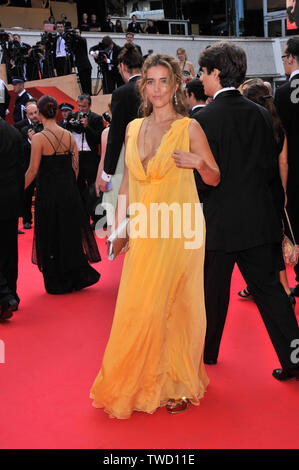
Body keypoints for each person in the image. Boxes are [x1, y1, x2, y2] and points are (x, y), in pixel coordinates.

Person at [90, 53, 220, 419]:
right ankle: (142, 378)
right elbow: (129, 183)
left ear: (177, 84)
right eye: (151, 81)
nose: (158, 88)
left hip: (181, 227)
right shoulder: (132, 128)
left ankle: (179, 381)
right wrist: (119, 227)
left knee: (178, 305)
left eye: (165, 81)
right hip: (146, 228)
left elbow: (214, 177)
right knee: (140, 305)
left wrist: (199, 164)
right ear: (143, 86)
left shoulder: (188, 127)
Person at [195, 41, 299, 381]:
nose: (201, 78)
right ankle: (295, 360)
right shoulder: (259, 112)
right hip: (257, 222)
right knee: (273, 295)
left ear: (215, 73)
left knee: (212, 293)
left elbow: (203, 178)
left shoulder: (202, 119)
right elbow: (269, 170)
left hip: (220, 224)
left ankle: (207, 356)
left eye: (203, 72)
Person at [24, 95, 101, 294]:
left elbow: (32, 171)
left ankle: (58, 279)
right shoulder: (68, 135)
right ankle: (74, 275)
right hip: (69, 193)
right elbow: (75, 168)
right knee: (69, 234)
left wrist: (17, 189)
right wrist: (68, 185)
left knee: (51, 234)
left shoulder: (39, 138)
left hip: (49, 195)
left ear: (40, 114)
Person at [96, 43, 143, 195]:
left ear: (122, 66)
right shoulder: (156, 88)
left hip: (134, 163)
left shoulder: (121, 93)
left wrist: (106, 174)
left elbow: (115, 136)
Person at [274, 37, 299, 299]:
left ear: (291, 57)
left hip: (293, 171)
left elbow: (280, 141)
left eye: (283, 57)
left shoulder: (281, 94)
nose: (283, 61)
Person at [0, 115, 25, 321]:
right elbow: (21, 169)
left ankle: (5, 297)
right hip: (10, 199)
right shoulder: (14, 133)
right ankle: (12, 294)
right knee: (9, 249)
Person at [68, 94, 105, 229]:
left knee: (93, 188)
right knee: (78, 187)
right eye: (79, 106)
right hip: (77, 156)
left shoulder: (96, 118)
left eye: (83, 106)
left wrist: (87, 127)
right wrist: (69, 125)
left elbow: (99, 139)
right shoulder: (72, 116)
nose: (81, 109)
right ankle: (82, 218)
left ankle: (97, 219)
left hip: (91, 157)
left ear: (89, 105)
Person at [19, 101, 42, 230]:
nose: (34, 116)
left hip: (42, 167)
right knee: (27, 195)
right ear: (27, 115)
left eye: (35, 113)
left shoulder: (44, 127)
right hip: (28, 167)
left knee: (41, 194)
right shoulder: (23, 130)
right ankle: (27, 220)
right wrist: (30, 140)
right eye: (31, 114)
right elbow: (22, 149)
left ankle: (41, 218)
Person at [73, 28, 92, 95]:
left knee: (87, 86)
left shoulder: (83, 40)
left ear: (80, 33)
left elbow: (80, 39)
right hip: (80, 67)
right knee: (83, 86)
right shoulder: (75, 43)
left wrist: (73, 34)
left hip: (86, 66)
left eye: (77, 32)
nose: (76, 34)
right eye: (75, 32)